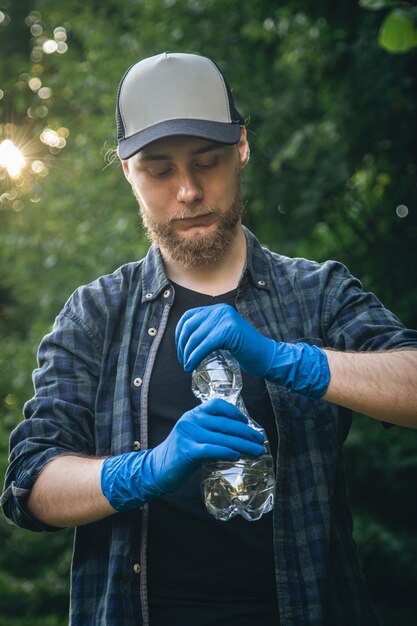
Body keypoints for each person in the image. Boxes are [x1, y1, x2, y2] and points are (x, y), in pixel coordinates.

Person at [1, 51, 417, 626]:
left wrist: (288, 360)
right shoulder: (94, 314)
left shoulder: (315, 292)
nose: (189, 191)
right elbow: (30, 485)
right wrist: (146, 470)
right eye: (159, 169)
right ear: (127, 171)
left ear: (241, 147)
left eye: (207, 161)